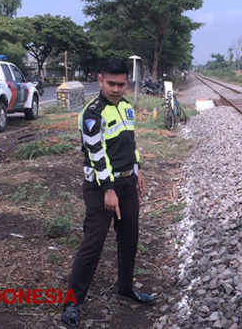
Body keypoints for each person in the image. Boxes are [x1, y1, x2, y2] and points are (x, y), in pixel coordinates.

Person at [62, 58, 154, 328]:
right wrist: (108, 190)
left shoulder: (126, 107)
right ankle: (72, 302)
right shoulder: (92, 114)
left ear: (128, 83)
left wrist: (138, 170)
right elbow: (96, 155)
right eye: (111, 83)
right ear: (100, 80)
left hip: (127, 183)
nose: (116, 89)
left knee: (129, 238)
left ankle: (126, 288)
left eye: (121, 84)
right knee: (93, 243)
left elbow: (129, 143)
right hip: (101, 186)